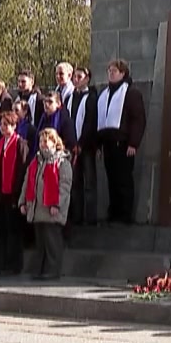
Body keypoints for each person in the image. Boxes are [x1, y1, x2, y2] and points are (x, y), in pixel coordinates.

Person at [95, 59, 147, 225]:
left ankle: (125, 214)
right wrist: (98, 145)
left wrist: (133, 143)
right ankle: (114, 212)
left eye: (114, 71)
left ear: (123, 73)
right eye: (109, 70)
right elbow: (100, 120)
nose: (111, 73)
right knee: (111, 179)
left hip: (123, 144)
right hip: (108, 143)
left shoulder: (131, 93)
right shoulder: (105, 93)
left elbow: (138, 120)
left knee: (124, 179)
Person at [22, 128, 73, 281]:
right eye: (41, 141)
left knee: (52, 242)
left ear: (54, 142)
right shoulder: (36, 162)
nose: (43, 144)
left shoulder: (62, 162)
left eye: (46, 141)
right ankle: (40, 270)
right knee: (41, 243)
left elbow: (64, 186)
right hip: (38, 208)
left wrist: (56, 204)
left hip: (52, 209)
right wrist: (23, 202)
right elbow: (27, 183)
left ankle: (52, 270)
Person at [0, 112, 30, 275]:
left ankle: (14, 264)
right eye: (2, 124)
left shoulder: (20, 143)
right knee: (2, 230)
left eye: (7, 124)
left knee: (13, 231)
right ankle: (3, 262)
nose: (3, 127)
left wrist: (17, 195)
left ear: (14, 126)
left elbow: (22, 169)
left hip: (12, 193)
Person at [67, 67, 99, 227]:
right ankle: (77, 216)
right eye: (74, 76)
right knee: (75, 182)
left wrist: (81, 143)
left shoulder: (92, 97)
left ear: (87, 78)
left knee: (89, 182)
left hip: (86, 147)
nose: (76, 79)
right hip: (72, 147)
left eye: (79, 76)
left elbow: (90, 123)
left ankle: (91, 217)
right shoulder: (71, 97)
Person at [32, 92, 78, 158]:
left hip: (59, 158)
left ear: (58, 104)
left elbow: (71, 144)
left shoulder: (65, 120)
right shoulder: (42, 119)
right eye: (45, 102)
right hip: (42, 157)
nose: (46, 104)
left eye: (50, 102)